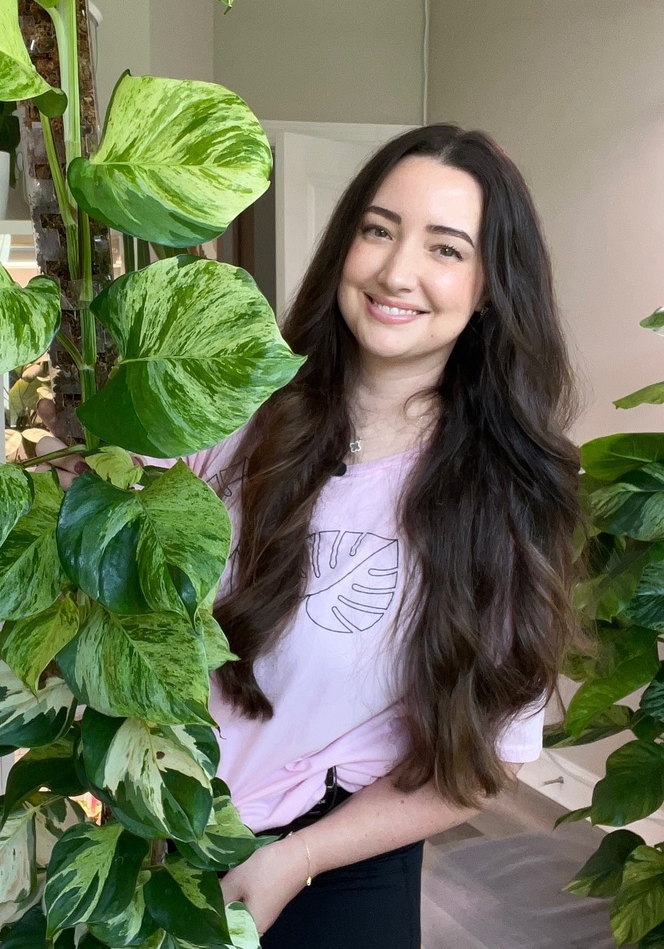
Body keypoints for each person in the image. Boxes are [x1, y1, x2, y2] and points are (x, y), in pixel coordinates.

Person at [43, 123, 580, 948]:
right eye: (378, 230)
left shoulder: (504, 495)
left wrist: (297, 860)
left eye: (445, 249)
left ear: (489, 288)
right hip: (155, 823)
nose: (397, 272)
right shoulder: (230, 410)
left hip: (334, 864)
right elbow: (103, 531)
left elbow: (488, 757)